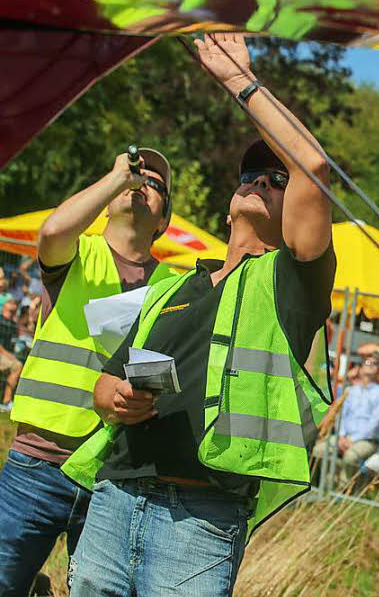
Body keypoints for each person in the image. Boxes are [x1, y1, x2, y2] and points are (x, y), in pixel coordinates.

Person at [61, 33, 334, 597]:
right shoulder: (173, 285)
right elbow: (109, 381)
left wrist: (240, 80)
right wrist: (113, 396)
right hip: (115, 496)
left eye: (275, 181)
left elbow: (312, 165)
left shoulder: (289, 281)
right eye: (251, 176)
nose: (260, 180)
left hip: (202, 519)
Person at [0, 147, 174, 596]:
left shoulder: (175, 285)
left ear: (163, 223)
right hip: (37, 463)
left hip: (112, 478)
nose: (141, 185)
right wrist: (117, 177)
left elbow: (162, 372)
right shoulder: (78, 253)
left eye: (155, 185)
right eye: (136, 177)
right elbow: (54, 229)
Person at [336, 353, 379, 484]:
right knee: (320, 451)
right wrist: (341, 436)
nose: (370, 365)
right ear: (360, 368)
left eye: (375, 363)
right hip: (344, 437)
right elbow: (341, 415)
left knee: (350, 457)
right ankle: (329, 485)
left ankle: (344, 491)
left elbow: (375, 423)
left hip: (367, 440)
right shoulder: (350, 390)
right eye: (367, 362)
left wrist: (352, 440)